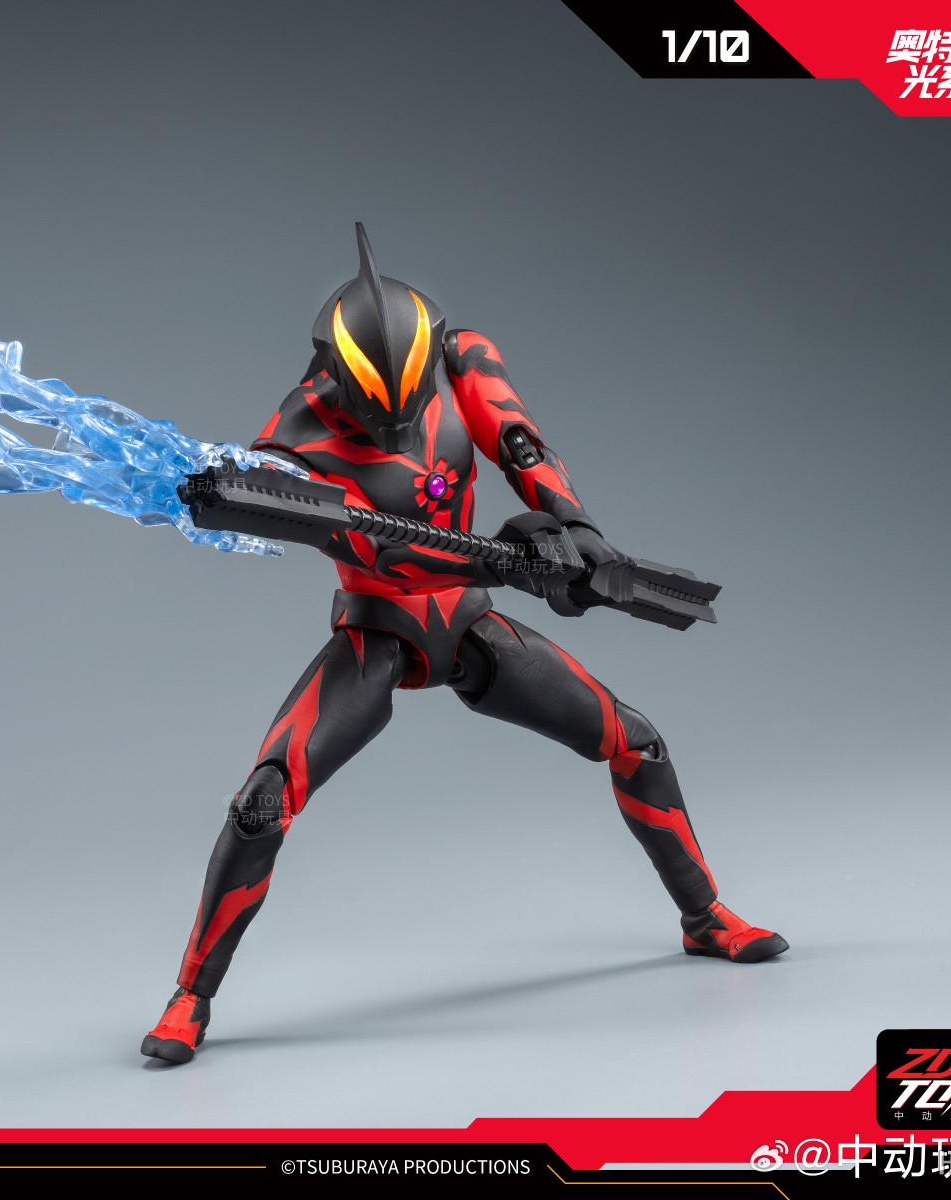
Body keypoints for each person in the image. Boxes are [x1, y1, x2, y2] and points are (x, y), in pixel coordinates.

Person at [141, 226, 786, 1065]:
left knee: (638, 742)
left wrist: (574, 529)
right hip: (379, 630)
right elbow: (352, 536)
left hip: (471, 622)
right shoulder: (294, 437)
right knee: (264, 799)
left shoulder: (459, 357)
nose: (396, 421)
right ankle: (190, 997)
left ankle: (705, 918)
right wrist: (502, 564)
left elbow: (518, 441)